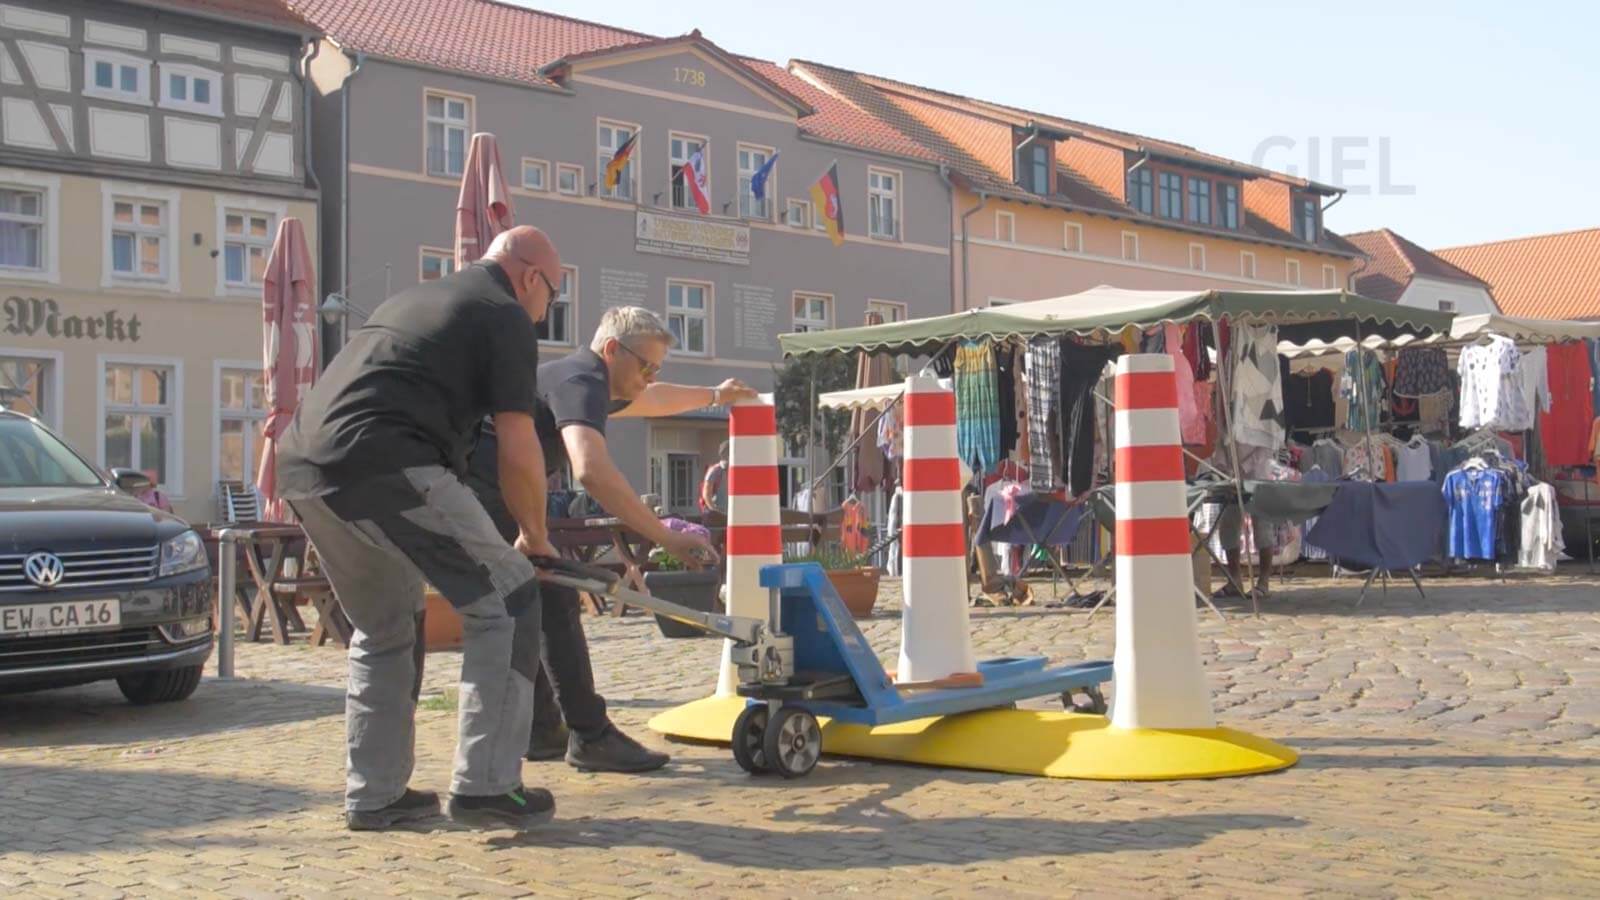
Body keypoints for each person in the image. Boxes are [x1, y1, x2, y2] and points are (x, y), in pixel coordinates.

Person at [275, 226, 563, 832]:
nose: (543, 314)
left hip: (303, 467)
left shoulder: (412, 301)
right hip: (387, 460)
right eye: (552, 298)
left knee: (385, 628)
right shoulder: (502, 312)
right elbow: (518, 441)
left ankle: (375, 795)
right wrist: (534, 536)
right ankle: (487, 786)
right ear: (531, 276)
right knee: (508, 598)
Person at [464, 306, 757, 771]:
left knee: (531, 603)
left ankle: (542, 730)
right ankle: (588, 736)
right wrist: (664, 536)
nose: (650, 375)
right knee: (550, 597)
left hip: (487, 490)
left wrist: (715, 395)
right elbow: (591, 469)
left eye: (657, 367)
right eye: (645, 365)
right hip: (480, 491)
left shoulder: (582, 379)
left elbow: (652, 400)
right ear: (613, 350)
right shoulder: (582, 379)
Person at [699, 441, 730, 514]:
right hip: (717, 516)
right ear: (724, 454)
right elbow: (706, 495)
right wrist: (715, 511)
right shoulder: (715, 470)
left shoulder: (733, 470)